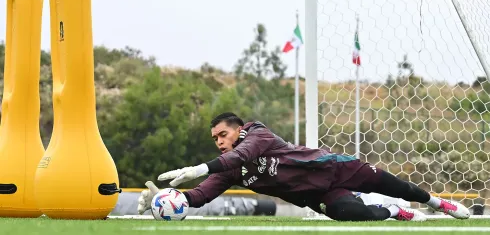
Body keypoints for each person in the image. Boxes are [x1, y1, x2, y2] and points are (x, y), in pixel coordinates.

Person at [137, 112, 470, 221]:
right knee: (351, 214)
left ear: (239, 129)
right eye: (214, 139)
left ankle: (440, 204)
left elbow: (239, 155)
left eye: (223, 134)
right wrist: (164, 200)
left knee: (397, 185)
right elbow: (200, 196)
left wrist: (199, 167)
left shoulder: (258, 135)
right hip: (317, 195)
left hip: (333, 168)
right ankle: (394, 212)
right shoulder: (226, 169)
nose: (219, 141)